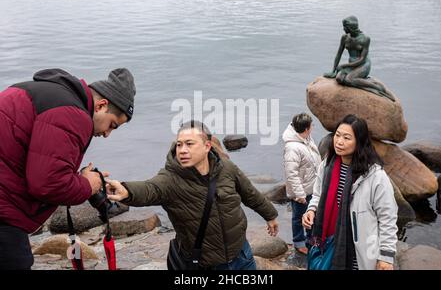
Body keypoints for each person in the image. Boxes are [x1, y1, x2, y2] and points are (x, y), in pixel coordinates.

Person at [0, 68, 136, 270]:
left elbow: (36, 162)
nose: (107, 134)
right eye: (112, 125)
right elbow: (47, 184)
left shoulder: (45, 92)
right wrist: (88, 184)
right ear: (101, 105)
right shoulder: (73, 114)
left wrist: (75, 176)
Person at [106, 120, 279, 270]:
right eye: (179, 144)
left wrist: (270, 215)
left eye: (189, 144)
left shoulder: (226, 168)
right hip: (206, 263)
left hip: (241, 254)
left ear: (207, 146)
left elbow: (250, 193)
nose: (182, 150)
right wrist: (126, 190)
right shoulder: (170, 178)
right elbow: (150, 189)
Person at [302, 114, 398, 270]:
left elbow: (388, 218)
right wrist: (311, 210)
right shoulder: (327, 165)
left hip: (359, 250)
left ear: (359, 142)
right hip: (327, 242)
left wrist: (386, 257)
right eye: (337, 135)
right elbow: (318, 195)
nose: (339, 141)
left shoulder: (375, 176)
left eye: (347, 138)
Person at [323, 16, 395, 101]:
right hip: (351, 65)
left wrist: (344, 65)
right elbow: (338, 54)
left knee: (349, 80)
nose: (343, 29)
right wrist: (333, 71)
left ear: (351, 27)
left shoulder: (365, 39)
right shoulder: (344, 38)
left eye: (345, 27)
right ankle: (362, 82)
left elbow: (362, 60)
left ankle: (376, 86)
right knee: (339, 79)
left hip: (363, 64)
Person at [282, 113, 321, 255]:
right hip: (302, 191)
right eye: (311, 126)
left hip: (311, 187)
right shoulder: (293, 148)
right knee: (298, 218)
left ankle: (311, 239)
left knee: (312, 215)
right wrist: (299, 194)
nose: (312, 128)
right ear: (306, 129)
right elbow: (291, 174)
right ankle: (299, 243)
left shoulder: (306, 139)